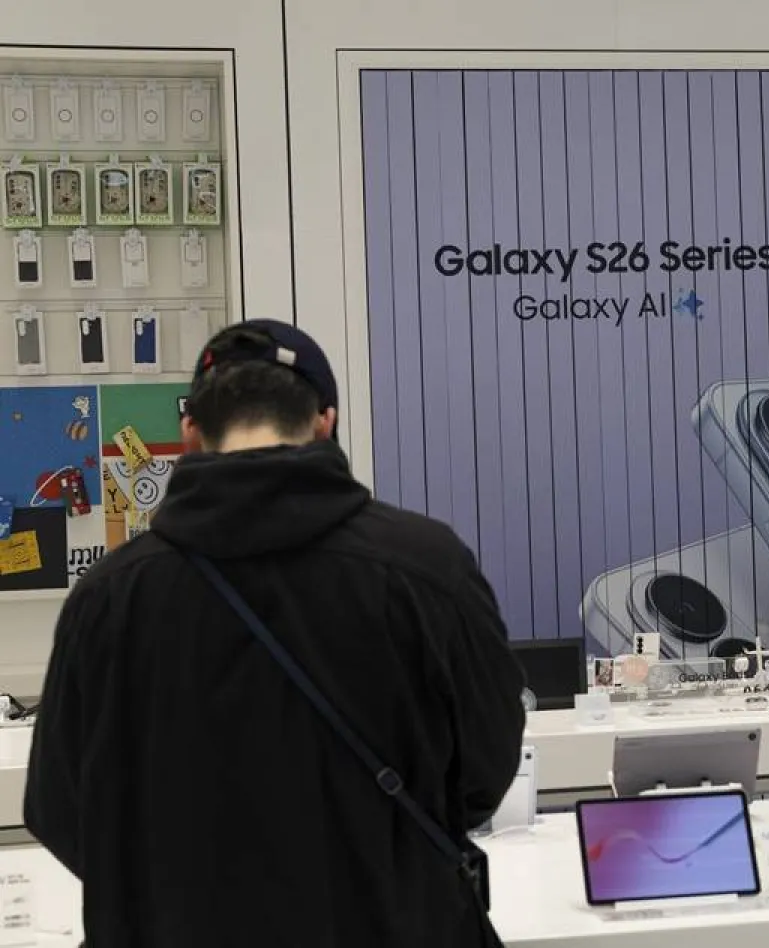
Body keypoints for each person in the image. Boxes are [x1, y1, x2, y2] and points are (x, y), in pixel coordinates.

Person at [26, 320, 527, 948]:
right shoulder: (426, 567)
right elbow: (485, 766)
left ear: (190, 435)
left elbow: (58, 807)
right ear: (325, 423)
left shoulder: (108, 595)